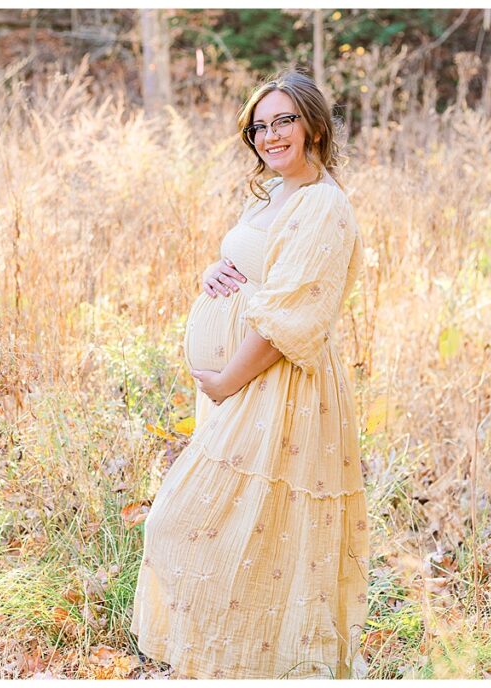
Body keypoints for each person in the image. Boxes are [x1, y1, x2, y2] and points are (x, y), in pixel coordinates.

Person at [129, 68, 370, 680]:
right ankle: (234, 663)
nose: (270, 135)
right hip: (242, 384)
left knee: (196, 521)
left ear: (314, 125)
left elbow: (290, 320)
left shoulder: (324, 205)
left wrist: (225, 382)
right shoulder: (273, 194)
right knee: (239, 526)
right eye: (260, 126)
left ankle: (270, 667)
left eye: (284, 120)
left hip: (279, 388)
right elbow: (254, 263)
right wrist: (217, 268)